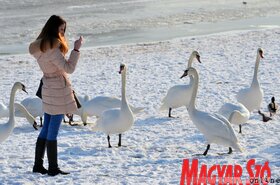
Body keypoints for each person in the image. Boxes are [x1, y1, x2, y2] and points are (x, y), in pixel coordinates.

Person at [29, 15, 83, 176]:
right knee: (53, 130)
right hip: (58, 89)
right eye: (60, 29)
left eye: (64, 30)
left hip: (47, 87)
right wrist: (76, 49)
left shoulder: (40, 47)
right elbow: (69, 68)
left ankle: (38, 165)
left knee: (46, 128)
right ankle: (53, 168)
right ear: (53, 29)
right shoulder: (53, 48)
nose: (62, 32)